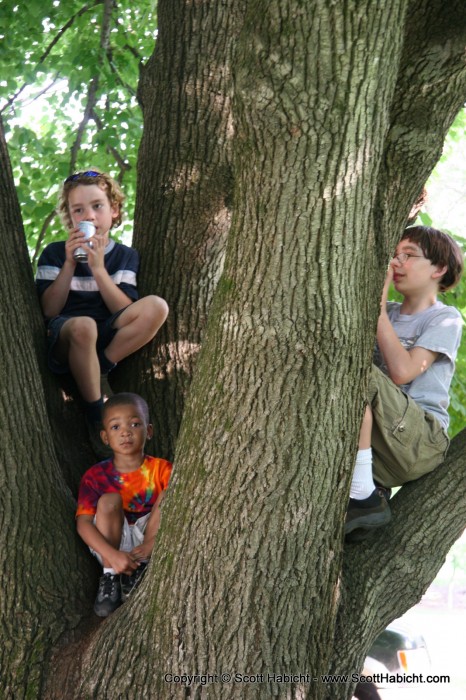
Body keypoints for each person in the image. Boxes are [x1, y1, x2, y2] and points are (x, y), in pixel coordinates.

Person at [35, 170, 168, 451]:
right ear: (70, 218)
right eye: (78, 210)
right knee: (84, 325)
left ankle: (100, 367)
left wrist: (98, 269)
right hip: (68, 334)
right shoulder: (55, 253)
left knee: (156, 306)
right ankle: (97, 412)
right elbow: (48, 309)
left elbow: (125, 309)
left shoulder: (125, 256)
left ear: (114, 210)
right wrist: (71, 264)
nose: (89, 216)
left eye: (97, 206)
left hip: (105, 335)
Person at [346, 226, 464, 537]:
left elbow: (402, 372)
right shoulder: (390, 312)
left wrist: (377, 309)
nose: (396, 263)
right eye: (394, 255)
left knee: (350, 370)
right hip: (382, 445)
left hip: (420, 440)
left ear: (439, 268)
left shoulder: (445, 318)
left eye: (408, 256)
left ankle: (363, 496)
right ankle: (367, 491)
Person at [76, 392, 172, 617]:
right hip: (110, 541)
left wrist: (151, 544)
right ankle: (111, 576)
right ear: (105, 437)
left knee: (172, 493)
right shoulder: (95, 476)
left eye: (135, 424)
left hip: (150, 537)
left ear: (148, 431)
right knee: (110, 500)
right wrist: (112, 554)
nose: (126, 432)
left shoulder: (162, 470)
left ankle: (140, 568)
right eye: (116, 427)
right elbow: (84, 524)